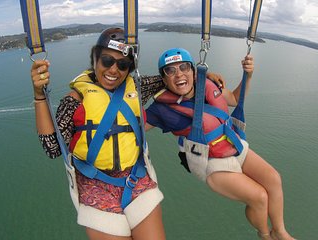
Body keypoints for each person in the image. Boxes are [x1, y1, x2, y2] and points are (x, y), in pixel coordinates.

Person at [145, 48, 295, 240]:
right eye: (170, 71)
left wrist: (247, 76)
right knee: (260, 197)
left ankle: (280, 232)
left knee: (273, 179)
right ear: (164, 79)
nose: (179, 74)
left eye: (184, 67)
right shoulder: (161, 110)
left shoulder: (207, 84)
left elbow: (233, 99)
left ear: (193, 71)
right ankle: (265, 235)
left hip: (233, 145)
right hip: (211, 162)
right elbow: (134, 127)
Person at [30, 27, 166, 240]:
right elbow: (52, 148)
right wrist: (39, 96)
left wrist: (200, 75)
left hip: (135, 177)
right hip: (94, 186)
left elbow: (172, 80)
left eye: (123, 65)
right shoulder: (74, 101)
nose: (114, 70)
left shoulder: (138, 87)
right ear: (94, 59)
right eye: (106, 61)